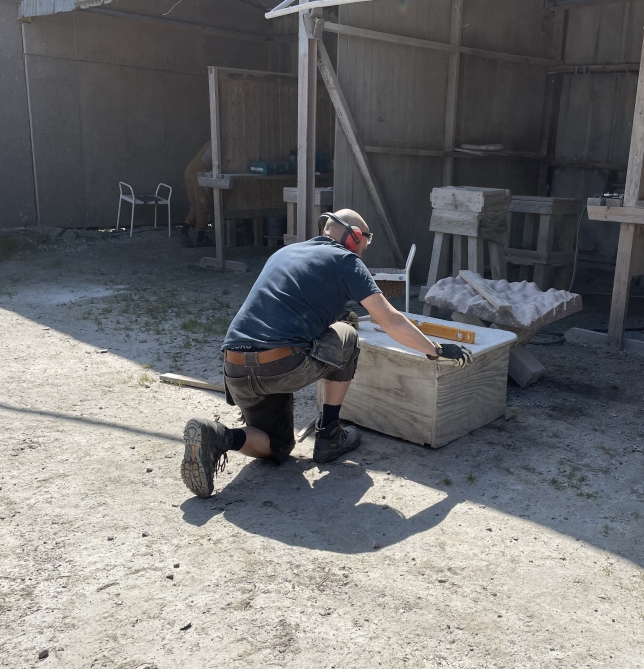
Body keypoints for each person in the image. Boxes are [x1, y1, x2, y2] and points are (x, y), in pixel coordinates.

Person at [180, 208, 472, 498]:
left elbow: (288, 306)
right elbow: (390, 320)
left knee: (278, 445)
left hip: (235, 365)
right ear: (354, 237)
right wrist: (434, 350)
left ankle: (219, 436)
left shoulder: (284, 253)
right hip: (280, 364)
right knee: (348, 336)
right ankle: (330, 434)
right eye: (363, 247)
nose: (361, 255)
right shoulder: (347, 260)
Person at [180, 141, 213, 248]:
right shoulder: (220, 144)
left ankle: (184, 229)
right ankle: (201, 238)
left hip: (189, 171)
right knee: (203, 204)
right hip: (200, 173)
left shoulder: (211, 142)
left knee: (195, 204)